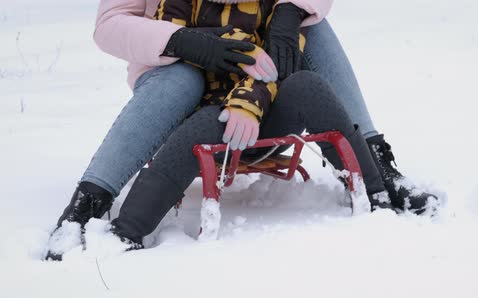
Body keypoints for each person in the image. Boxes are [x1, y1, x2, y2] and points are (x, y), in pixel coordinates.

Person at [45, 0, 438, 260]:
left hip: (265, 87)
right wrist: (181, 40)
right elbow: (111, 23)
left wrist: (288, 11)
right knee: (181, 80)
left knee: (311, 24)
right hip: (182, 83)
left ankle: (376, 165)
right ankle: (91, 200)